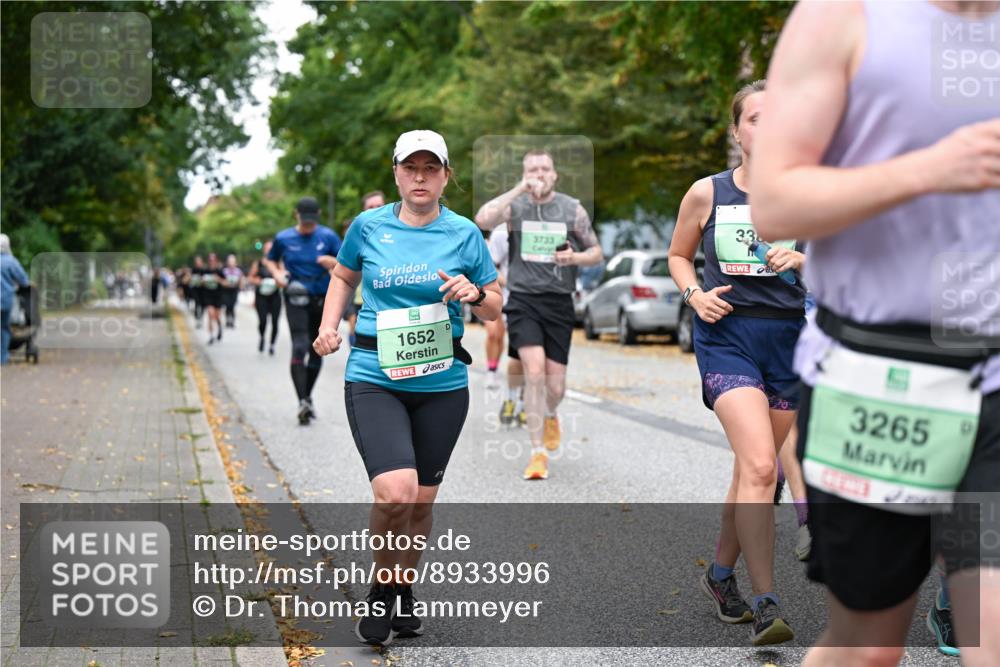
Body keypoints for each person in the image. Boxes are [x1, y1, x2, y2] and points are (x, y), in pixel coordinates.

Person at [752, 1, 1000, 664]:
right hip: (880, 377)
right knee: (868, 649)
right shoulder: (845, 15)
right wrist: (927, 169)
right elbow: (773, 202)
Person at [312, 130, 501, 646]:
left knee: (419, 502)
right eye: (410, 167)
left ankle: (402, 587)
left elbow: (494, 304)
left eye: (431, 168)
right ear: (395, 172)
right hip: (375, 375)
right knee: (394, 492)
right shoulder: (367, 226)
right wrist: (331, 325)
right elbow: (345, 278)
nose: (420, 177)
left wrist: (476, 291)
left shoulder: (464, 234)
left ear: (445, 175)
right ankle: (382, 588)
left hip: (442, 382)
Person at [667, 80, 806, 646]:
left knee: (752, 473)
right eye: (755, 119)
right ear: (737, 131)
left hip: (790, 342)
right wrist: (693, 294)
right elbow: (678, 255)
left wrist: (804, 257)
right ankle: (768, 599)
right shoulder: (708, 193)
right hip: (727, 338)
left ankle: (720, 577)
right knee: (760, 467)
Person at [475, 149, 603, 481]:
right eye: (532, 169)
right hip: (523, 301)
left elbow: (596, 252)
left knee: (555, 384)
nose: (539, 173)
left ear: (555, 174)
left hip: (559, 302)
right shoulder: (515, 208)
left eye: (545, 168)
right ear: (524, 173)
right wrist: (520, 188)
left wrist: (574, 259)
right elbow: (482, 219)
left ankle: (549, 414)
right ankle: (537, 454)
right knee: (534, 373)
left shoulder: (571, 208)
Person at [263, 196, 342, 425]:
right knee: (299, 345)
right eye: (304, 220)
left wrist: (332, 262)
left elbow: (346, 265)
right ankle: (302, 401)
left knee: (317, 348)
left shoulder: (328, 236)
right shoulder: (284, 238)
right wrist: (277, 273)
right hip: (295, 295)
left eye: (312, 221)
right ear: (296, 214)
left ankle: (306, 397)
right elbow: (270, 260)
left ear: (318, 215)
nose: (308, 225)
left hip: (321, 296)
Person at [487, 225, 527, 425]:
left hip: (544, 302)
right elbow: (490, 267)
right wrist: (510, 282)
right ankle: (512, 397)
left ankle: (523, 403)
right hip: (514, 301)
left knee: (537, 358)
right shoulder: (501, 234)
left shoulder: (547, 229)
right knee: (519, 354)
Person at [343, 191, 386, 347]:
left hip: (387, 301)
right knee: (357, 336)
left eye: (379, 206)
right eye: (370, 207)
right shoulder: (355, 237)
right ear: (364, 210)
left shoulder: (399, 233)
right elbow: (343, 277)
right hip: (359, 300)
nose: (375, 210)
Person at [248, 241, 282, 355]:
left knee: (275, 321)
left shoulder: (278, 263)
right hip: (261, 296)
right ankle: (262, 337)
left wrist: (278, 281)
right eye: (267, 249)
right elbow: (250, 278)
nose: (269, 251)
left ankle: (272, 344)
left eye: (271, 249)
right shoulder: (258, 263)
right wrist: (258, 281)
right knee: (263, 321)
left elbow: (284, 277)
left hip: (275, 296)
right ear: (264, 250)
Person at [1, 234, 30, 366]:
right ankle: (2, 358)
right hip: (5, 300)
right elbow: (24, 281)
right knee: (4, 328)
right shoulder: (11, 261)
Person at [201, 253, 226, 345]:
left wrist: (218, 279)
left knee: (216, 316)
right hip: (208, 295)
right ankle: (211, 336)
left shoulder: (220, 271)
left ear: (216, 261)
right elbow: (200, 282)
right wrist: (202, 281)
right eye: (210, 260)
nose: (211, 262)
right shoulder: (205, 271)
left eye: (213, 260)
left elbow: (225, 283)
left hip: (218, 296)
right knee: (210, 315)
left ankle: (219, 326)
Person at [222, 254, 244, 329]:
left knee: (232, 305)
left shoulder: (238, 271)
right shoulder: (224, 271)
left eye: (233, 262)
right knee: (227, 305)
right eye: (230, 262)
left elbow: (241, 280)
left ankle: (232, 320)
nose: (231, 263)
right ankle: (228, 319)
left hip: (234, 290)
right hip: (226, 290)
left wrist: (240, 286)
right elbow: (221, 280)